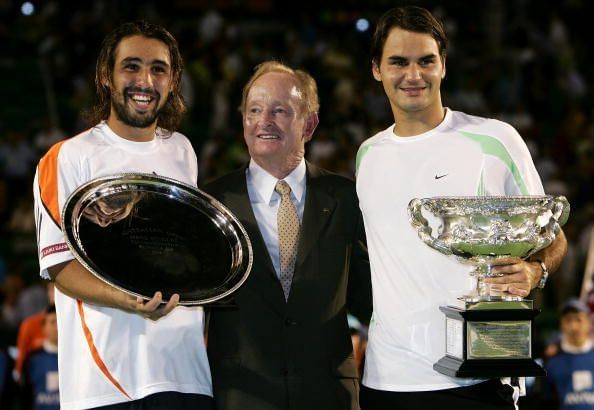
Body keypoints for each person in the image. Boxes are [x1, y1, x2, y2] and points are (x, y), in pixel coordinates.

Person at [355, 6, 568, 410]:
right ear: (376, 70)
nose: (413, 75)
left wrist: (534, 270)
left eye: (426, 61)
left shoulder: (495, 139)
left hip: (482, 370)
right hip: (388, 379)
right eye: (398, 62)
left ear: (443, 66)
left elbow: (553, 237)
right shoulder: (368, 155)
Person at [33, 21, 212, 409]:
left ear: (173, 79)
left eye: (158, 68)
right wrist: (128, 299)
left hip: (186, 373)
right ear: (105, 76)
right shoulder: (67, 157)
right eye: (131, 66)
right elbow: (61, 268)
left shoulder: (182, 151)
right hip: (106, 380)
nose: (144, 80)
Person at [204, 61, 372, 410]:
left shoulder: (345, 197)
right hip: (241, 397)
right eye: (254, 110)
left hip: (329, 398)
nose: (264, 121)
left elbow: (369, 299)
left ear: (309, 124)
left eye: (279, 110)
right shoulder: (211, 202)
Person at [544, 299, 594, 410]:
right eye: (568, 320)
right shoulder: (552, 362)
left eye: (578, 320)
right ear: (561, 324)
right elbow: (545, 400)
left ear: (588, 323)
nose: (574, 327)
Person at [21, 304, 59, 410]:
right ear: (44, 328)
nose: (57, 327)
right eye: (52, 322)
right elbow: (25, 396)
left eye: (59, 321)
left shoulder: (77, 358)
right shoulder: (32, 359)